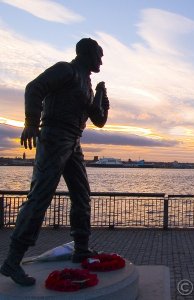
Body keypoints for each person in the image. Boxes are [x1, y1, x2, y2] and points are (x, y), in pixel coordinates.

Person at [0, 38, 110, 286]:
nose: (101, 61)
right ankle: (12, 261)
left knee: (82, 196)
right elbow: (34, 87)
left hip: (73, 142)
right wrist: (30, 122)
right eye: (99, 55)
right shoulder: (66, 69)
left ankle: (81, 248)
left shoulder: (88, 85)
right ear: (86, 53)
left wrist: (102, 97)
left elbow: (98, 120)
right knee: (40, 197)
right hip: (54, 136)